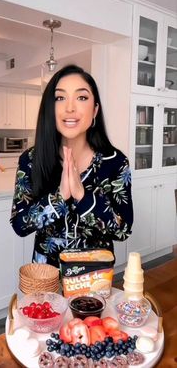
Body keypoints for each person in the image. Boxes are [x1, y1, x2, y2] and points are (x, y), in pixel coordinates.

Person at [10, 64, 133, 268]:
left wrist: (83, 197)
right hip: (46, 277)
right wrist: (59, 198)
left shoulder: (116, 162)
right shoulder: (31, 159)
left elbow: (123, 230)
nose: (70, 107)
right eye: (60, 98)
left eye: (82, 97)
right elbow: (19, 225)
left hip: (94, 278)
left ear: (95, 110)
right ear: (50, 109)